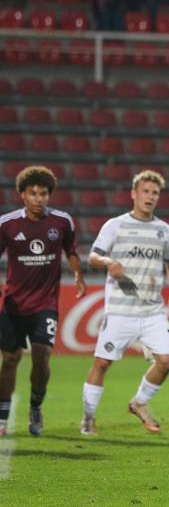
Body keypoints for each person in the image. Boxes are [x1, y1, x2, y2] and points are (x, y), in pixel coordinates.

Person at [81, 171, 169, 436]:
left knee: (167, 360)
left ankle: (139, 402)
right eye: (145, 192)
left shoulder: (164, 230)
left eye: (155, 193)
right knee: (102, 364)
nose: (150, 197)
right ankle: (88, 417)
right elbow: (92, 256)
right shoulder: (116, 225)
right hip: (120, 310)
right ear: (134, 194)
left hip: (152, 310)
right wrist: (107, 262)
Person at [0, 167, 85, 437]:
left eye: (44, 194)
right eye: (33, 193)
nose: (39, 198)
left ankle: (36, 406)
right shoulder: (7, 224)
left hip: (45, 303)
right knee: (10, 359)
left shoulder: (62, 222)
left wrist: (78, 274)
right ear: (22, 194)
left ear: (50, 195)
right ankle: (2, 417)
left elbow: (71, 251)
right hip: (12, 304)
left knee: (42, 355)